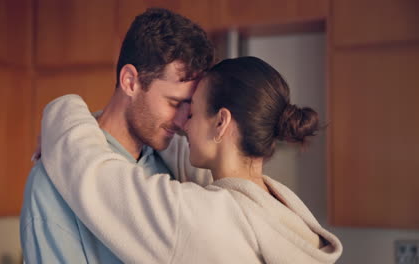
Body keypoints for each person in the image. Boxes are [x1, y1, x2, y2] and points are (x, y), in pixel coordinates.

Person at [40, 56, 343, 264]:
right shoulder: (283, 209)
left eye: (193, 112)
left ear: (221, 123)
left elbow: (92, 172)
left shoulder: (202, 218)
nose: (183, 124)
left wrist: (64, 110)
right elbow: (176, 149)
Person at [20, 8, 214, 263]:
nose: (182, 122)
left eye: (188, 107)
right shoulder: (52, 182)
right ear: (130, 81)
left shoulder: (171, 171)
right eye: (173, 102)